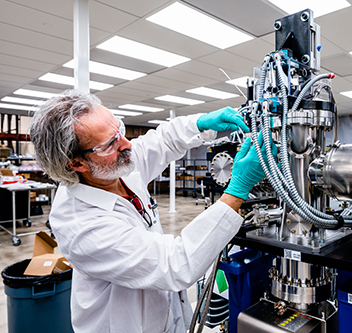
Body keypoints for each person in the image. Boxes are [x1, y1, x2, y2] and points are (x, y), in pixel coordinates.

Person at [29, 89, 273, 333]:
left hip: (166, 318)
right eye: (109, 144)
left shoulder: (112, 168)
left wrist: (200, 122)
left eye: (119, 131)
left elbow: (163, 140)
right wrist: (238, 189)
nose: (126, 145)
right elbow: (176, 263)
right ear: (76, 163)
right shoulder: (81, 226)